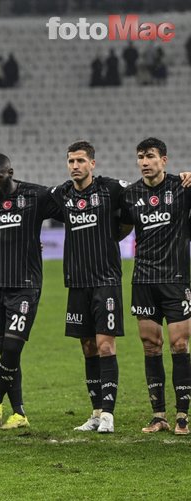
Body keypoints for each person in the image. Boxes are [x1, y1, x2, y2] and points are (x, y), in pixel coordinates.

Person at [49, 141, 129, 433]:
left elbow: (140, 200)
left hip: (106, 281)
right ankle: (95, 412)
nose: (75, 166)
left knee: (106, 345)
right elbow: (31, 205)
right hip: (77, 282)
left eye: (80, 161)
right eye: (71, 161)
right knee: (88, 347)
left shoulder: (111, 189)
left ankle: (108, 413)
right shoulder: (62, 194)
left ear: (92, 164)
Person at [0, 153, 60, 430]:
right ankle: (19, 413)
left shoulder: (35, 196)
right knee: (6, 353)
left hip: (25, 287)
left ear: (10, 173)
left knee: (12, 348)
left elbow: (68, 210)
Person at [120, 137, 191, 435]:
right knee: (150, 346)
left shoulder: (182, 187)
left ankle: (182, 414)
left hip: (176, 279)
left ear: (164, 159)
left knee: (179, 344)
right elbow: (120, 230)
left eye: (150, 156)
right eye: (140, 157)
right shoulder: (130, 194)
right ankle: (158, 415)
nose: (144, 162)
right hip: (144, 281)